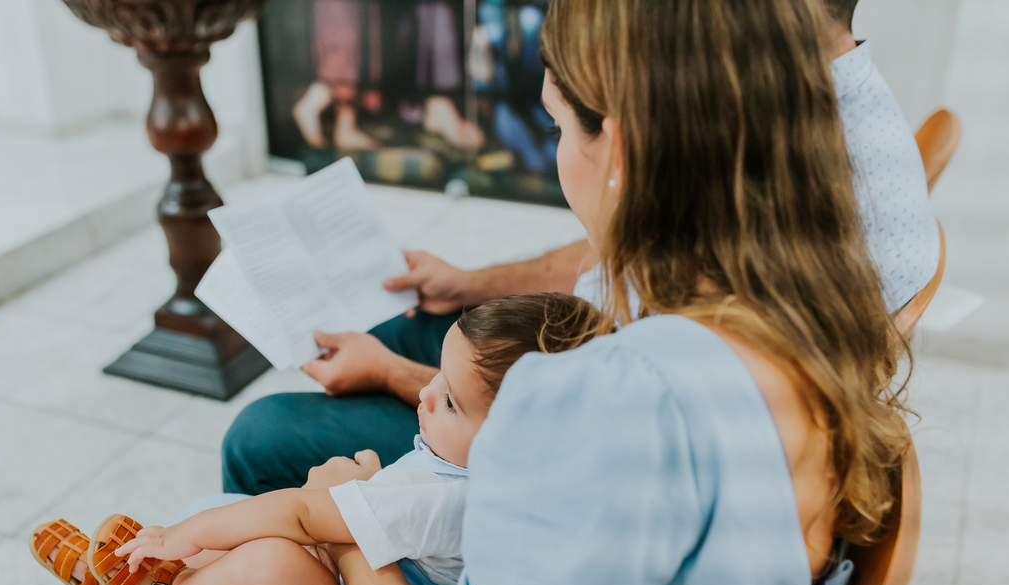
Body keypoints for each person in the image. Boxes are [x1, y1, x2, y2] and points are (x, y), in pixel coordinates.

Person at [53, 0, 912, 585]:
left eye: (557, 125)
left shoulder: (620, 395)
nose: (558, 152)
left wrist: (357, 530)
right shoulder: (802, 323)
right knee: (218, 535)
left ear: (621, 148)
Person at [221, 0, 937, 498]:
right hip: (572, 362)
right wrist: (472, 283)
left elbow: (574, 439)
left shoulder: (781, 178)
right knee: (398, 320)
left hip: (547, 420)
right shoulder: (808, 109)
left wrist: (397, 378)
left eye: (559, 125)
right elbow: (628, 244)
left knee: (259, 435)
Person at [33, 294, 601, 585]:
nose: (426, 395)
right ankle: (116, 577)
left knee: (270, 561)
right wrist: (368, 492)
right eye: (439, 377)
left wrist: (190, 531)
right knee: (269, 534)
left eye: (450, 402)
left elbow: (303, 513)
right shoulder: (505, 481)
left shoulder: (446, 500)